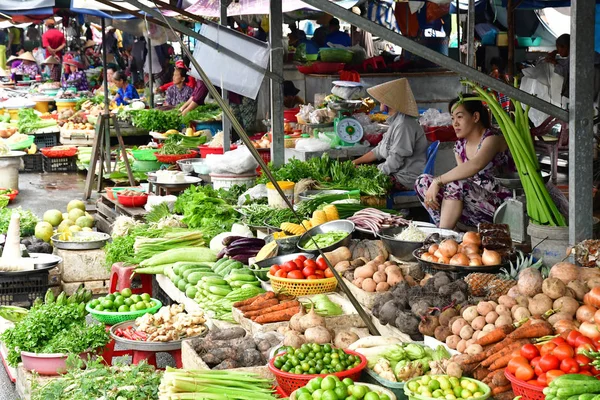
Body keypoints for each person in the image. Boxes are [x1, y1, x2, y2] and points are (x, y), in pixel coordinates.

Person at [415, 95, 513, 229]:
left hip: (501, 207)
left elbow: (475, 165)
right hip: (473, 208)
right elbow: (464, 175)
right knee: (423, 181)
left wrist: (438, 181)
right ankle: (446, 229)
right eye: (452, 118)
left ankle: (443, 236)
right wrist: (434, 183)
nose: (455, 123)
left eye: (460, 117)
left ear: (475, 117)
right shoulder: (459, 146)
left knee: (455, 183)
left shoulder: (492, 139)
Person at [352, 78, 428, 190]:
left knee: (359, 183)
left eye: (383, 99)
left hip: (405, 178)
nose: (380, 101)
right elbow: (378, 151)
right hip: (396, 172)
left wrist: (373, 172)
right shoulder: (395, 122)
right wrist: (355, 162)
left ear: (391, 102)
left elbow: (395, 161)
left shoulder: (404, 124)